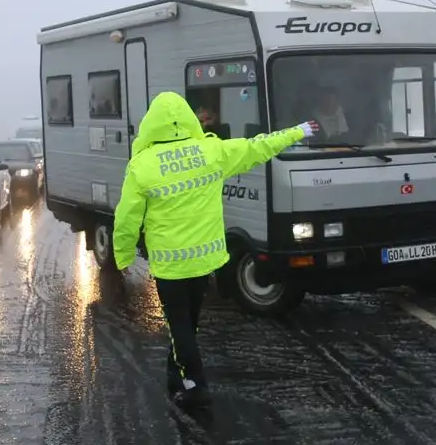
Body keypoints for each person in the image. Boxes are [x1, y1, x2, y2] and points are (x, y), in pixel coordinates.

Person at [113, 92, 318, 408]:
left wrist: (123, 256)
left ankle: (194, 383)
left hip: (171, 266)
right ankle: (176, 372)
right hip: (205, 261)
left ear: (150, 125)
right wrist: (298, 131)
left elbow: (127, 218)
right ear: (190, 119)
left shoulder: (142, 166)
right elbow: (257, 146)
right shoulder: (212, 151)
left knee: (180, 325)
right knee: (188, 323)